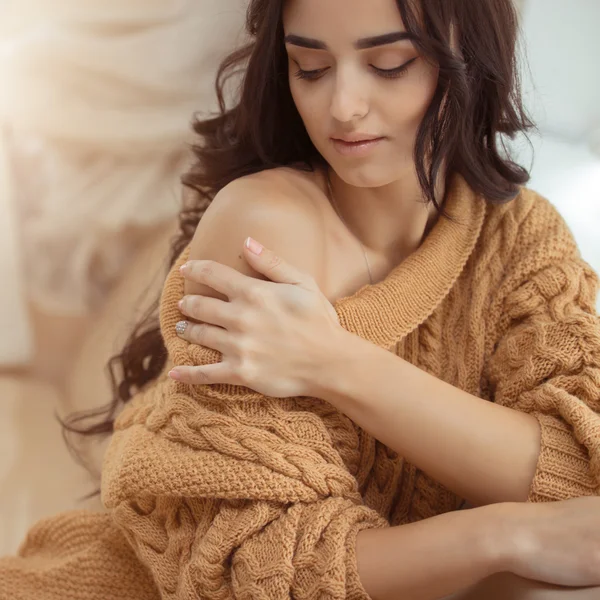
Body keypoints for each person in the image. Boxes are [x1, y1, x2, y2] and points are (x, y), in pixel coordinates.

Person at [1, 0, 600, 598]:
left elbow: (582, 475)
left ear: (471, 59)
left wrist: (334, 362)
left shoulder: (519, 236)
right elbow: (249, 569)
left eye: (390, 64)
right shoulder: (264, 230)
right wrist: (503, 535)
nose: (343, 108)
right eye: (309, 68)